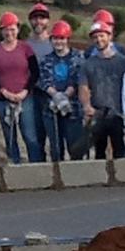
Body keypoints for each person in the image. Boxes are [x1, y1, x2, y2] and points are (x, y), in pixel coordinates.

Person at [0, 12, 42, 164]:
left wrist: (25, 91)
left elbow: (35, 72)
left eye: (12, 29)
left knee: (30, 134)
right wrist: (3, 91)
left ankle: (37, 164)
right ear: (1, 31)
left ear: (18, 29)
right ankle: (15, 165)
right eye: (6, 30)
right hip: (2, 99)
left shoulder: (26, 48)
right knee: (9, 135)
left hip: (24, 98)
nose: (9, 33)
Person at [78, 21, 125, 159]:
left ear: (110, 36)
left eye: (102, 36)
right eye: (95, 37)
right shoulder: (88, 64)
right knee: (99, 153)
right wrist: (86, 106)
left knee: (120, 152)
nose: (99, 40)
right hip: (98, 114)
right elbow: (83, 87)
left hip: (119, 115)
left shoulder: (124, 63)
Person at [40, 20, 84, 161]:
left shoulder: (78, 57)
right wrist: (56, 96)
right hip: (51, 109)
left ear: (67, 39)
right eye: (55, 38)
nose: (58, 42)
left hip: (73, 109)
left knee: (75, 146)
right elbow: (45, 81)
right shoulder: (46, 59)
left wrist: (65, 95)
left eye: (62, 38)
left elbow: (77, 79)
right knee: (56, 147)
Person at [26, 2, 52, 155]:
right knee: (35, 135)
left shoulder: (54, 43)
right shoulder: (26, 45)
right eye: (35, 18)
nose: (38, 22)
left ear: (47, 21)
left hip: (51, 94)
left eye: (42, 18)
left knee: (54, 134)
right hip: (32, 93)